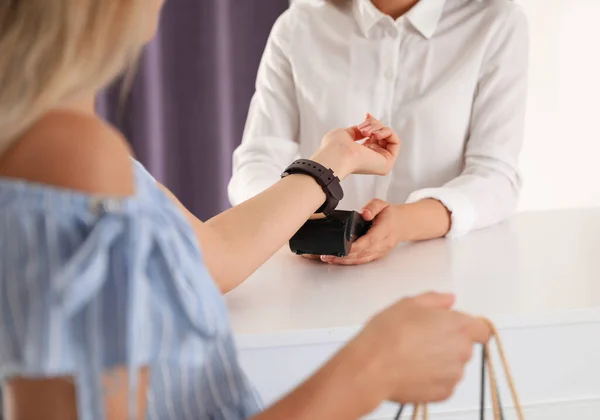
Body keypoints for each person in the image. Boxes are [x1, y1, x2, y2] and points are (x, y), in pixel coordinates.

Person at [0, 1, 490, 419]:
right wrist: (371, 368)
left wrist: (331, 161)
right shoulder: (70, 157)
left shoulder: (57, 147)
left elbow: (216, 255)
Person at [229, 0, 529, 265]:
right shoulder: (299, 26)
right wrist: (290, 220)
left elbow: (496, 176)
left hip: (438, 272)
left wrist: (404, 223)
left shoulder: (496, 23)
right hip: (311, 278)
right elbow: (257, 161)